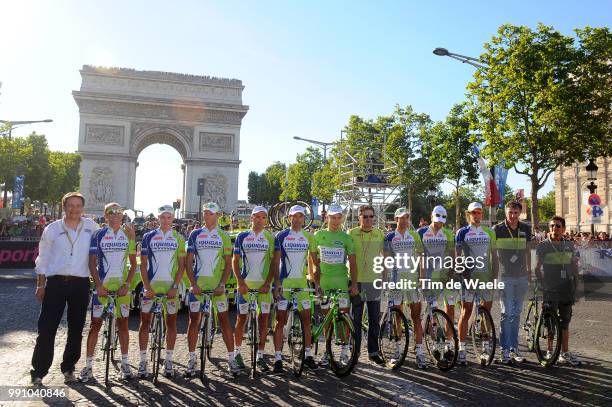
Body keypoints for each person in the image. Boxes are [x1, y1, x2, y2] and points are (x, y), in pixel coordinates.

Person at [30, 192, 99, 385]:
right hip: (56, 283)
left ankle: (69, 368)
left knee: (76, 329)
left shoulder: (93, 228)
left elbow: (106, 246)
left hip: (80, 283)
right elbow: (42, 259)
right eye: (70, 205)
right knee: (46, 329)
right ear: (64, 207)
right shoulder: (52, 229)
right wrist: (40, 284)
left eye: (78, 205)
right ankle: (38, 371)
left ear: (82, 208)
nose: (74, 209)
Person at [80, 203, 137, 382]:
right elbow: (92, 263)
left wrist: (127, 284)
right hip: (102, 286)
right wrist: (98, 286)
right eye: (110, 213)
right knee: (95, 325)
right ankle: (88, 366)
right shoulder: (98, 234)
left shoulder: (128, 234)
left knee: (123, 324)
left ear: (122, 216)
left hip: (122, 287)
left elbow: (134, 264)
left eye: (118, 212)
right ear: (105, 216)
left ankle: (126, 363)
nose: (114, 215)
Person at [184, 202, 240, 376]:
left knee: (224, 322)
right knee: (194, 321)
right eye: (205, 213)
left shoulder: (223, 236)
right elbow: (188, 262)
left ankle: (231, 359)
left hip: (217, 288)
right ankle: (192, 359)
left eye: (210, 213)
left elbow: (229, 265)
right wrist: (193, 284)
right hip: (199, 286)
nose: (207, 216)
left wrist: (222, 284)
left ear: (217, 216)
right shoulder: (195, 234)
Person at [137, 205, 186, 378]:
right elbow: (142, 264)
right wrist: (147, 287)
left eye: (169, 218)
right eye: (163, 217)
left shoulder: (178, 238)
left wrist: (175, 286)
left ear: (173, 219)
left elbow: (181, 266)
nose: (166, 221)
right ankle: (143, 361)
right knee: (145, 323)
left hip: (170, 288)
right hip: (151, 287)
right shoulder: (148, 237)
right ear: (158, 218)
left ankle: (169, 360)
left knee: (171, 324)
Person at [271, 205, 319, 373]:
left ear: (304, 219)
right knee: (280, 320)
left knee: (306, 319)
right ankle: (277, 358)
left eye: (301, 216)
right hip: (285, 283)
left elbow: (315, 262)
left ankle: (308, 355)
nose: (298, 219)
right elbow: (276, 262)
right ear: (289, 217)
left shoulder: (309, 236)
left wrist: (317, 283)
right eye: (294, 216)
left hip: (301, 284)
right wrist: (277, 283)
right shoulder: (281, 236)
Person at [312, 204, 358, 367]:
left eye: (339, 217)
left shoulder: (346, 238)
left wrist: (353, 284)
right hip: (325, 283)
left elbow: (353, 263)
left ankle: (344, 352)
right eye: (333, 217)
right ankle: (327, 352)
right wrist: (316, 281)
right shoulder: (318, 235)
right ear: (327, 218)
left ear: (342, 218)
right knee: (327, 319)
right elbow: (313, 258)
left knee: (343, 318)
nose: (336, 220)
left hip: (341, 283)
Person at [232, 206, 276, 372]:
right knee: (241, 319)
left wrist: (268, 283)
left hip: (263, 286)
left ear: (266, 220)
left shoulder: (270, 238)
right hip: (246, 285)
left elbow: (273, 263)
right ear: (251, 218)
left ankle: (260, 356)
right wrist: (240, 282)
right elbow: (235, 261)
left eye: (262, 217)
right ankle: (237, 353)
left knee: (264, 319)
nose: (259, 220)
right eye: (256, 217)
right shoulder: (242, 236)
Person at [455, 202, 498, 366]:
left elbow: (495, 256)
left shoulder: (489, 232)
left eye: (479, 212)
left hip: (485, 277)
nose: (477, 215)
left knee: (486, 311)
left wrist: (495, 276)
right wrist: (462, 272)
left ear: (482, 214)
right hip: (468, 277)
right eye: (474, 213)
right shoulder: (462, 232)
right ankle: (462, 348)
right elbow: (457, 257)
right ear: (468, 214)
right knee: (466, 312)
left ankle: (486, 346)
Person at [535, 216, 582, 366]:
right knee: (550, 322)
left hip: (567, 288)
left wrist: (577, 283)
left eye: (558, 226)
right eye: (552, 226)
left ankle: (564, 353)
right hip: (550, 289)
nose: (555, 228)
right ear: (549, 228)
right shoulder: (543, 246)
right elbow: (537, 269)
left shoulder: (569, 245)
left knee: (565, 322)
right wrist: (544, 285)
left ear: (564, 229)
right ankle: (549, 351)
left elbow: (574, 265)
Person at [384, 207, 426, 368]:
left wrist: (422, 277)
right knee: (397, 316)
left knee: (416, 316)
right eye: (401, 218)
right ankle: (398, 349)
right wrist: (385, 280)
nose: (404, 220)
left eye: (406, 217)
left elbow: (421, 258)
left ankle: (420, 351)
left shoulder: (414, 235)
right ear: (396, 219)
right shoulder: (389, 237)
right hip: (396, 281)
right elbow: (386, 260)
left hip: (412, 281)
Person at [416, 205, 457, 364]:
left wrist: (452, 273)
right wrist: (422, 278)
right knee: (431, 310)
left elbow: (452, 257)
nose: (439, 223)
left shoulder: (447, 233)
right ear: (431, 216)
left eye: (442, 221)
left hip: (444, 276)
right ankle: (433, 343)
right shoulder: (421, 232)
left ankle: (448, 343)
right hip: (428, 275)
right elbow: (420, 257)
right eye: (437, 219)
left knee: (450, 308)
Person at [493, 201, 532, 364]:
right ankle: (504, 349)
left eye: (516, 213)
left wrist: (530, 271)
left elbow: (528, 251)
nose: (513, 216)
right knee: (506, 313)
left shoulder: (526, 228)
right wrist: (495, 276)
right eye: (510, 212)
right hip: (505, 276)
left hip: (522, 276)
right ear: (505, 213)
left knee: (516, 314)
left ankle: (514, 347)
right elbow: (493, 255)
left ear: (520, 213)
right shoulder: (497, 229)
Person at [349, 204, 385, 365]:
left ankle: (373, 351)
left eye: (371, 216)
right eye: (365, 217)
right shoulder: (351, 233)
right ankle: (355, 351)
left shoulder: (379, 233)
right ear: (359, 218)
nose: (369, 220)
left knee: (374, 320)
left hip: (374, 282)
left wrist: (384, 278)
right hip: (357, 282)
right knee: (355, 319)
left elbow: (384, 258)